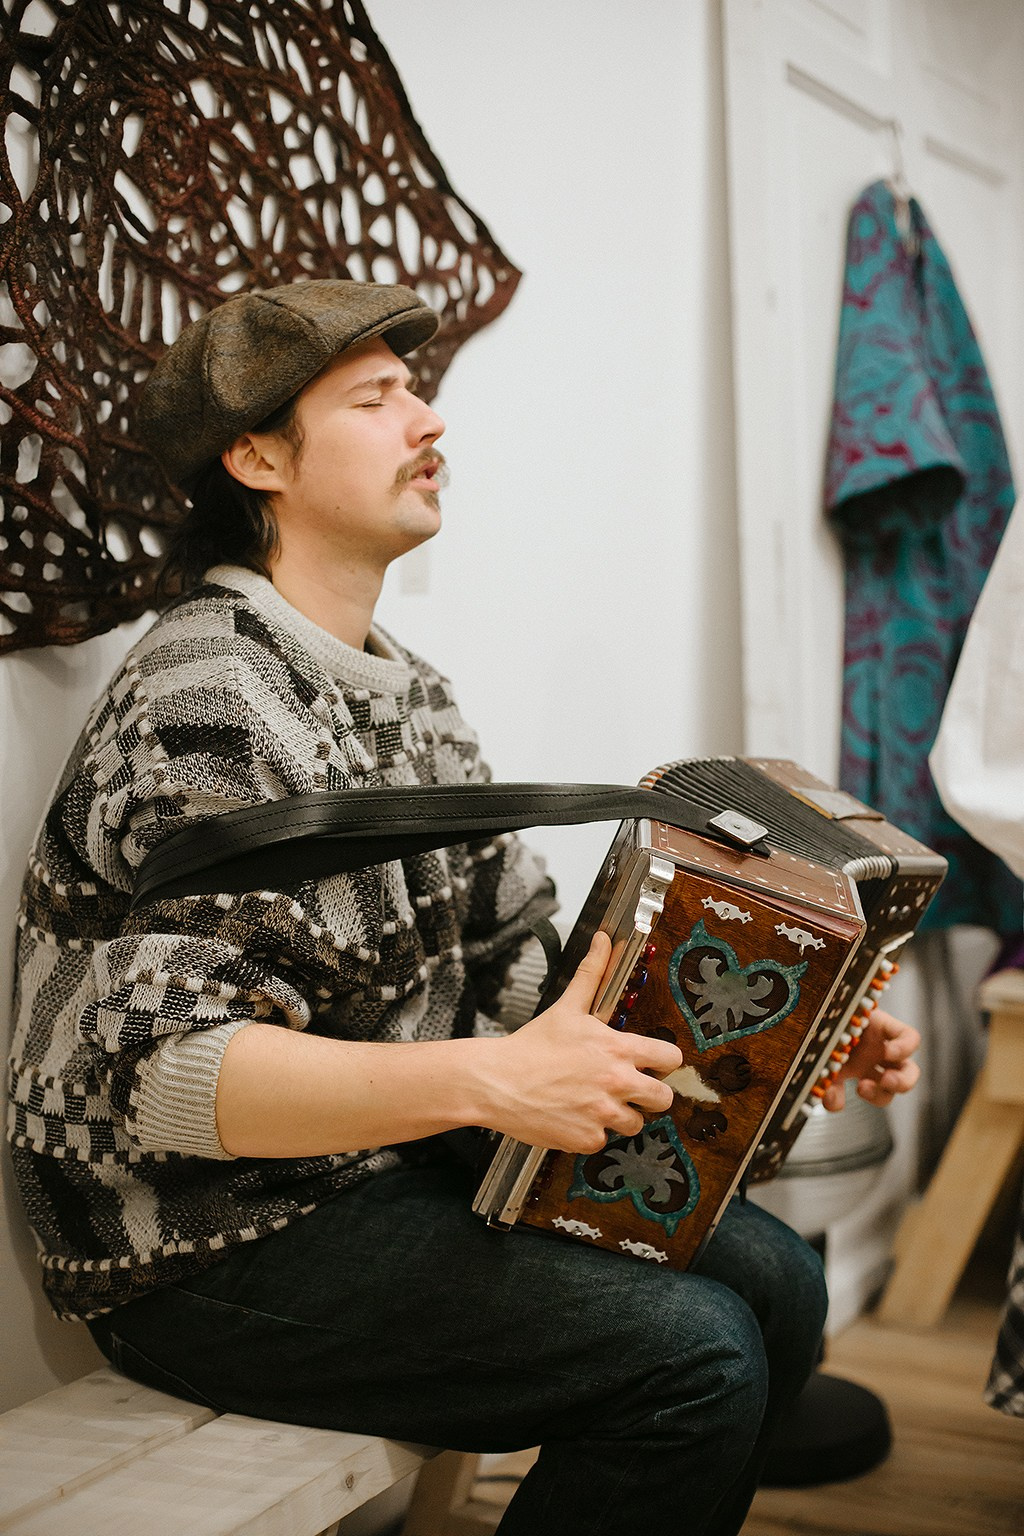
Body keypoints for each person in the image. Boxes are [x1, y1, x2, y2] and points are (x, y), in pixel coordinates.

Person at [7, 279, 922, 1535]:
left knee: (773, 1271)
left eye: (418, 392)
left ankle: (736, 1424)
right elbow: (168, 1081)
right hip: (196, 1248)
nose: (427, 422)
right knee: (698, 1355)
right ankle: (715, 1421)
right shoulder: (207, 700)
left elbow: (516, 980)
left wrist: (790, 1032)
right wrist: (491, 1086)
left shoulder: (416, 696)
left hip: (379, 1167)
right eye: (377, 399)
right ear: (257, 453)